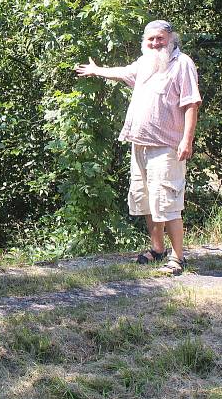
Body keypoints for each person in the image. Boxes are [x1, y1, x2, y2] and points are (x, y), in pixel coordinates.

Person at [74, 20, 201, 275]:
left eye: (160, 39)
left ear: (171, 39)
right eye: (151, 39)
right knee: (146, 202)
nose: (155, 43)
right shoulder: (146, 63)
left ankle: (178, 258)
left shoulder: (182, 63)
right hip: (140, 145)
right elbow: (122, 72)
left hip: (167, 147)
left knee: (168, 202)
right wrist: (97, 70)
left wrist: (186, 141)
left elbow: (191, 104)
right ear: (145, 41)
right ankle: (157, 249)